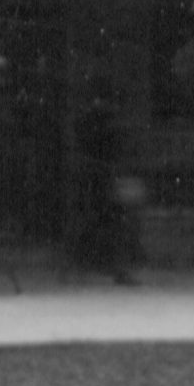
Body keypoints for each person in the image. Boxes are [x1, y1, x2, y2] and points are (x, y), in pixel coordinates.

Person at [66, 98, 141, 285]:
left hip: (96, 182)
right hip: (103, 181)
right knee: (114, 225)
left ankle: (86, 264)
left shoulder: (89, 126)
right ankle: (112, 266)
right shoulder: (108, 128)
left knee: (99, 223)